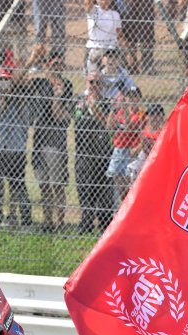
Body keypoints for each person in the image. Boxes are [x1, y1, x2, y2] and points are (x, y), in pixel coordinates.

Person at [0, 51, 37, 227]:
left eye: (7, 80)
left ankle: (21, 218)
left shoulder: (21, 98)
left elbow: (26, 120)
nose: (4, 84)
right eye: (1, 80)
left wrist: (12, 95)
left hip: (14, 148)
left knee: (17, 185)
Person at [32, 49, 73, 232]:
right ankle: (47, 222)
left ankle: (60, 223)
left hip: (56, 142)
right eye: (53, 64)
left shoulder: (67, 86)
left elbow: (60, 116)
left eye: (59, 64)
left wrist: (58, 96)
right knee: (44, 185)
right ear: (47, 66)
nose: (57, 68)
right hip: (39, 141)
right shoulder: (39, 83)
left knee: (57, 185)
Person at [73, 69, 114, 233]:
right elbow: (75, 118)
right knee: (84, 188)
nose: (94, 85)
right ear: (86, 83)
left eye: (98, 82)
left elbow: (109, 126)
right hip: (83, 152)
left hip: (102, 153)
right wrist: (88, 105)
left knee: (103, 190)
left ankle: (104, 224)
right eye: (91, 82)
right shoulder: (79, 101)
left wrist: (95, 108)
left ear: (103, 85)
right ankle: (86, 223)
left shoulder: (107, 103)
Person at [106, 85, 145, 204]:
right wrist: (113, 110)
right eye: (129, 97)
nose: (132, 100)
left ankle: (128, 208)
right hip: (118, 150)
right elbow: (109, 127)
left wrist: (125, 110)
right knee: (119, 187)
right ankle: (121, 209)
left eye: (135, 97)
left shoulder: (141, 114)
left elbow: (129, 127)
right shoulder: (121, 111)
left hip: (130, 152)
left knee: (129, 186)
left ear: (139, 99)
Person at [84, 0, 127, 73]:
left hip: (110, 49)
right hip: (95, 47)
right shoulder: (94, 10)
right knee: (92, 75)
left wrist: (127, 52)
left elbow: (120, 35)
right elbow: (87, 3)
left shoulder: (115, 14)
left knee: (109, 75)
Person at [126, 102, 164, 180]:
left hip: (158, 162)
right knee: (132, 167)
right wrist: (141, 146)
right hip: (145, 160)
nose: (154, 117)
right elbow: (134, 152)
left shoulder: (164, 132)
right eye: (151, 114)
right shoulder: (144, 131)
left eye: (157, 115)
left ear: (162, 116)